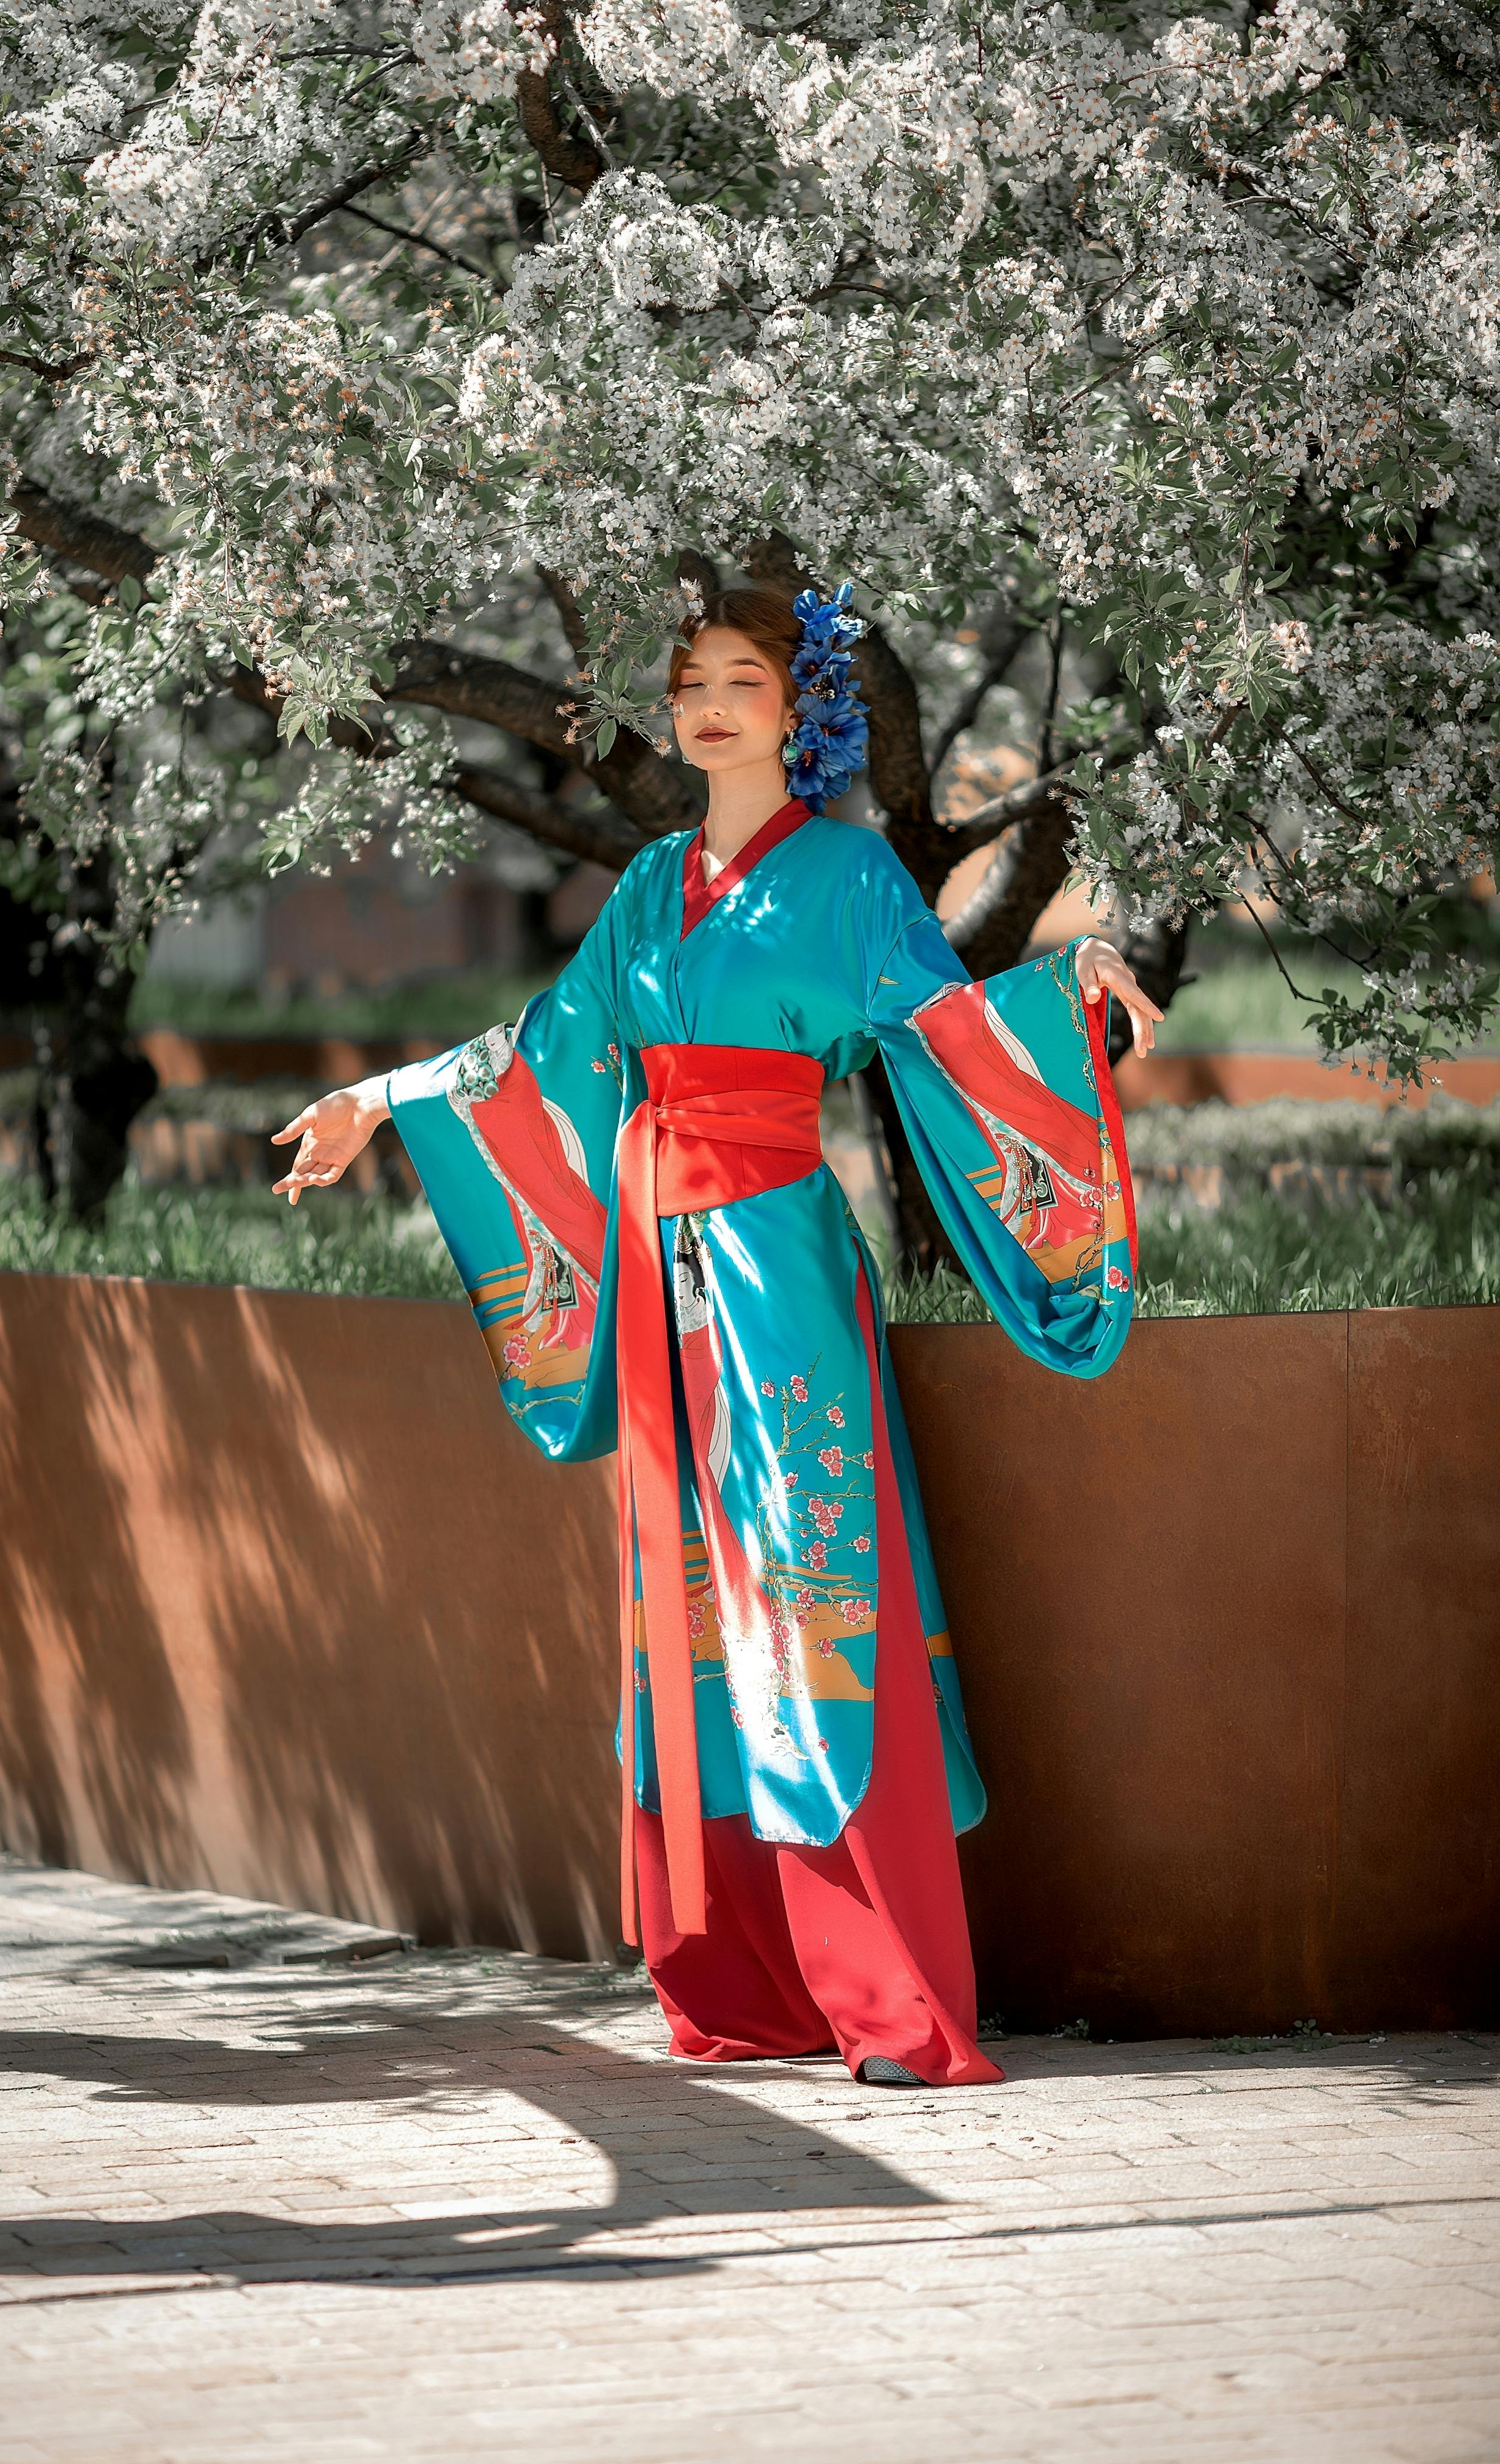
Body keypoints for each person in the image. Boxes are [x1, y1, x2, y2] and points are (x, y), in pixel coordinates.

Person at [272, 584, 1163, 2089]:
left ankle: (892, 2003)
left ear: (801, 710)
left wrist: (1071, 978)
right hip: (653, 1281)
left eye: (743, 680)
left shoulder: (854, 874)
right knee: (688, 1617)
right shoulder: (650, 884)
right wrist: (387, 1097)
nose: (709, 705)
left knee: (815, 1594)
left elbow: (948, 1028)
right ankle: (747, 1991)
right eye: (691, 682)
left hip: (775, 1271)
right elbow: (545, 1059)